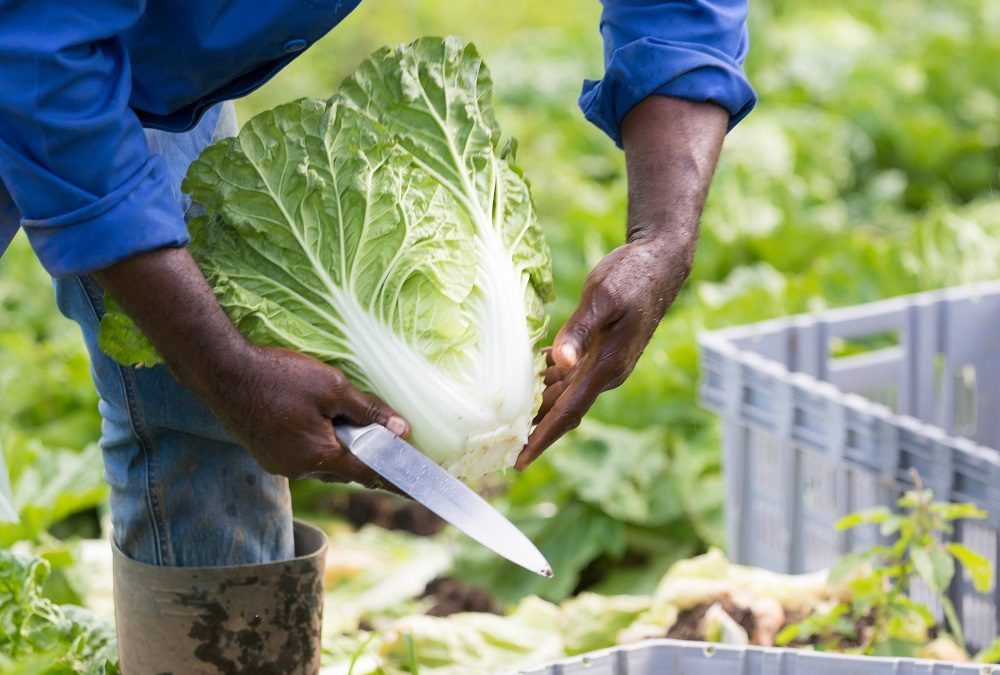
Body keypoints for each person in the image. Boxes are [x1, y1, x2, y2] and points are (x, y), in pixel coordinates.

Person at [0, 0, 754, 667]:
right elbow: (37, 58)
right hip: (39, 45)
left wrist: (664, 232)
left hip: (128, 53)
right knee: (211, 369)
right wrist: (227, 367)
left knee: (202, 408)